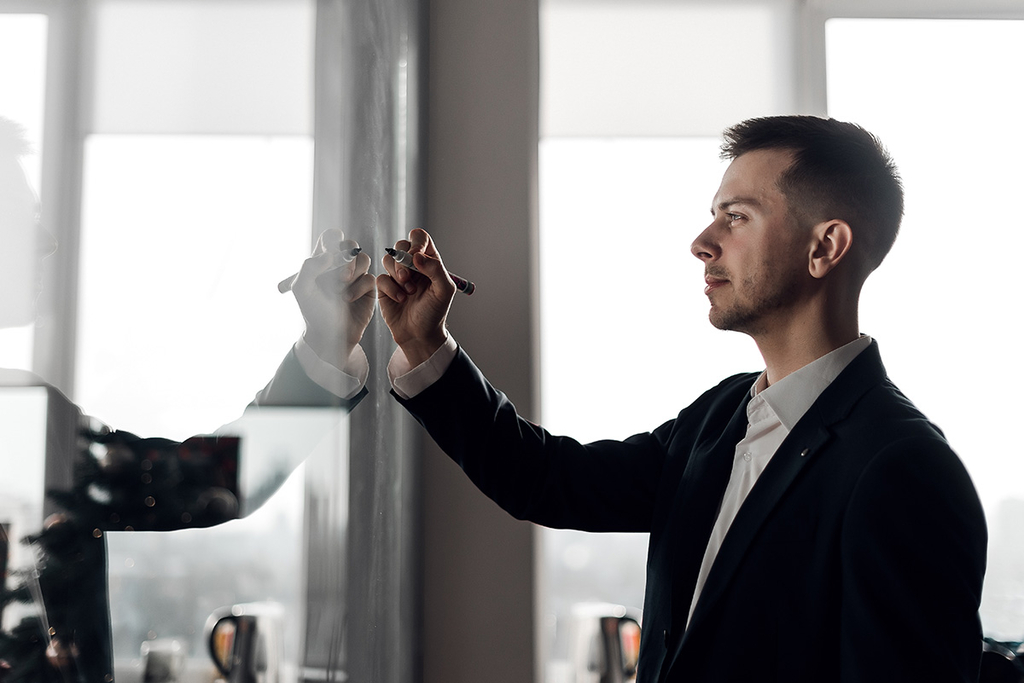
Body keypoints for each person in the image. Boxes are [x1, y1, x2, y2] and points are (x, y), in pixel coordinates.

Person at [375, 115, 988, 682]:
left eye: (736, 217)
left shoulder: (904, 468)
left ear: (825, 247)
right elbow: (546, 479)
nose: (702, 242)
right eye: (714, 215)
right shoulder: (719, 417)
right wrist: (426, 343)